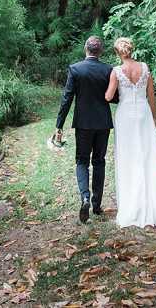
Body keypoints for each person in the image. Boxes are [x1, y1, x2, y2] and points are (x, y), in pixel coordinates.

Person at [105, 36, 156, 228]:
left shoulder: (117, 71)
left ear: (118, 53)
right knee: (147, 155)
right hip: (143, 114)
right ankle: (153, 205)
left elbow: (109, 96)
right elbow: (151, 96)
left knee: (128, 157)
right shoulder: (144, 67)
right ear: (131, 50)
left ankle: (132, 206)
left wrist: (107, 91)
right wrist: (153, 118)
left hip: (125, 115)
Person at [55, 35, 117, 223]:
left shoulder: (75, 69)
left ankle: (85, 197)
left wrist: (59, 125)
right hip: (103, 123)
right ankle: (97, 205)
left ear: (85, 49)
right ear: (101, 51)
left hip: (83, 124)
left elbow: (67, 98)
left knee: (82, 161)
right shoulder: (108, 70)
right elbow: (113, 98)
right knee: (99, 161)